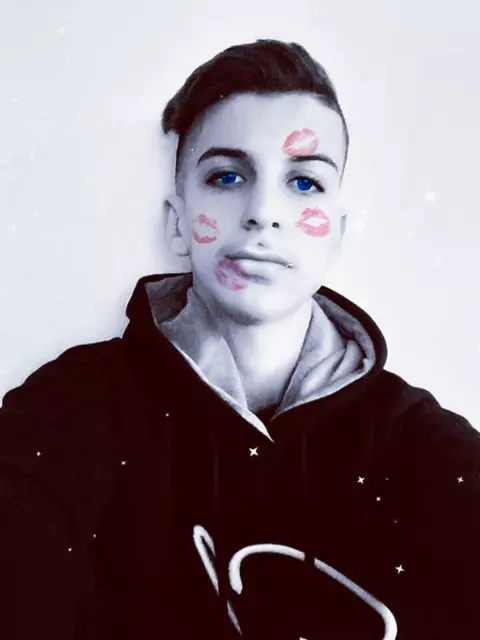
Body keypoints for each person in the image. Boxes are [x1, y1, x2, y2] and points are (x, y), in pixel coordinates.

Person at [0, 38, 479, 640]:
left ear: (337, 234)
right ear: (177, 224)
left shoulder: (424, 448)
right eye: (227, 176)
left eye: (303, 183)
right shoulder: (70, 409)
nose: (262, 212)